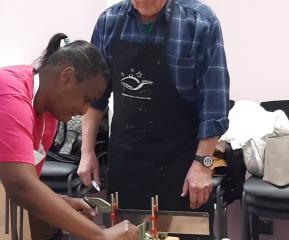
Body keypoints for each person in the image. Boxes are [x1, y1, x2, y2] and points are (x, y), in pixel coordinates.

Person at [0, 33, 138, 240]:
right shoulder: (7, 97)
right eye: (86, 99)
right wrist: (100, 235)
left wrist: (62, 203)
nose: (84, 111)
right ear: (66, 78)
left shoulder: (45, 115)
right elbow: (21, 187)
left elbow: (31, 189)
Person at [77, 0, 230, 238]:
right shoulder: (109, 21)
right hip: (127, 163)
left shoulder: (199, 21)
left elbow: (214, 105)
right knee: (126, 233)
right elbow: (93, 98)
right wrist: (87, 151)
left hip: (182, 167)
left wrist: (203, 165)